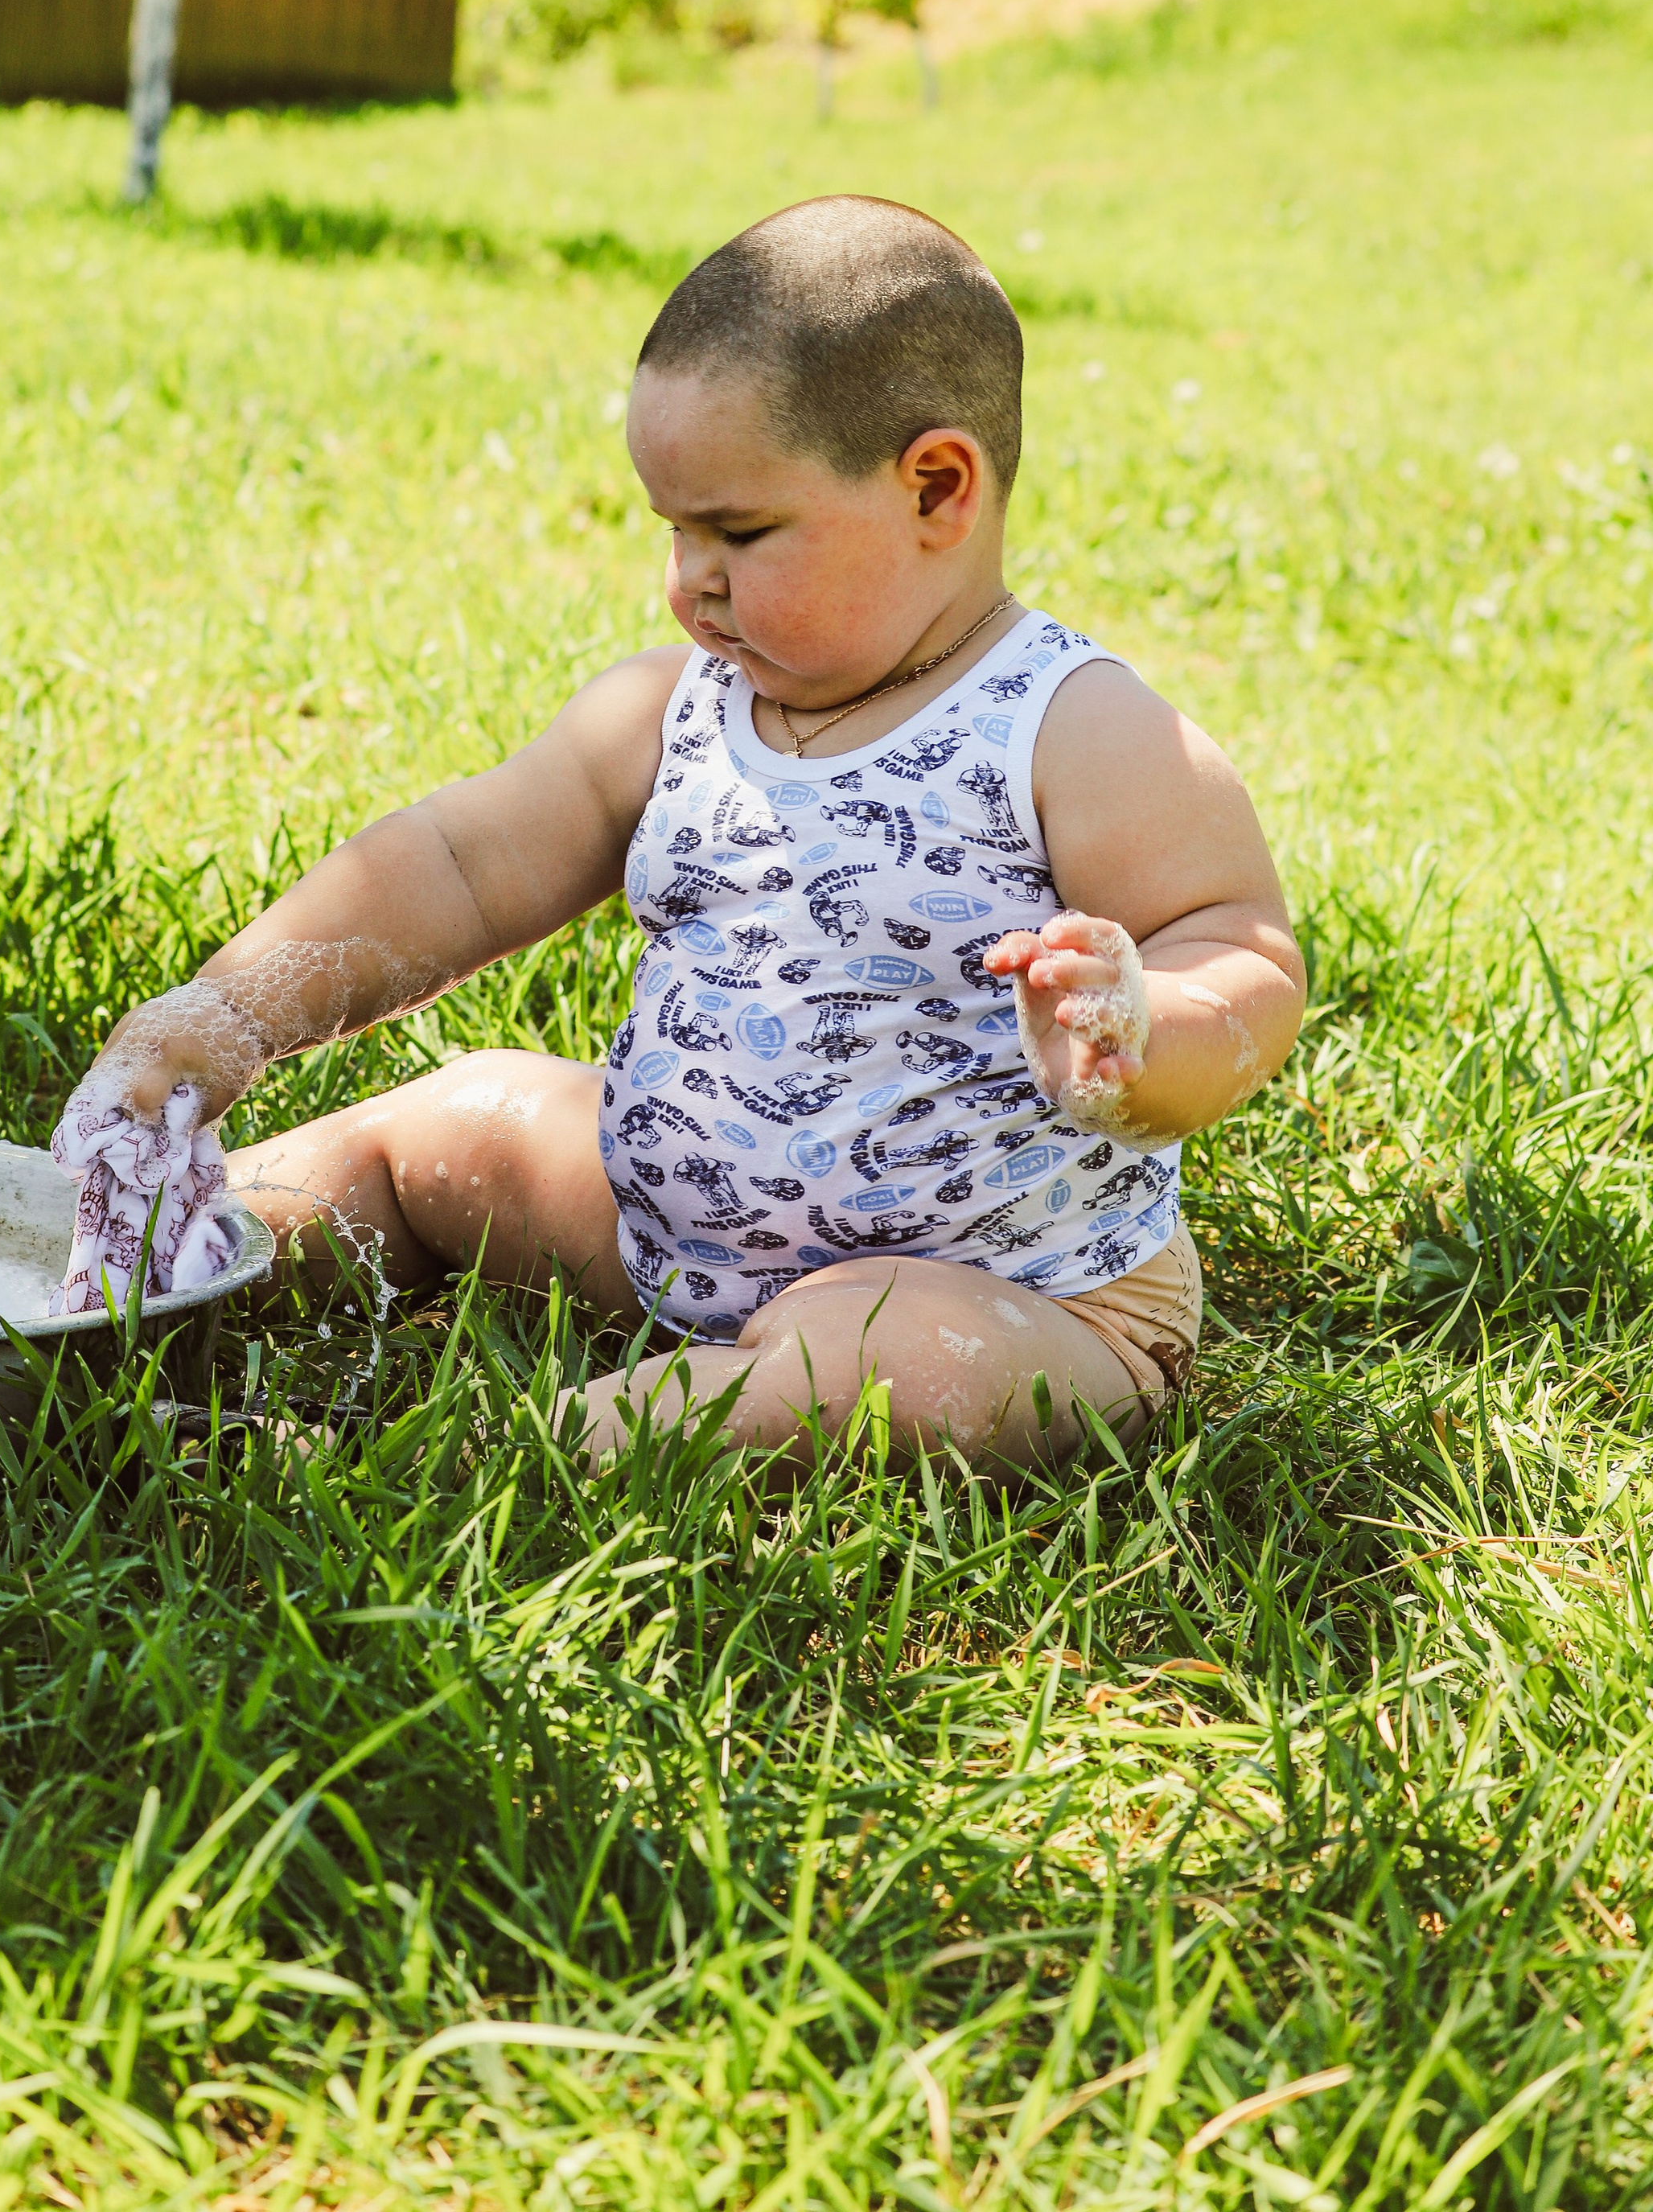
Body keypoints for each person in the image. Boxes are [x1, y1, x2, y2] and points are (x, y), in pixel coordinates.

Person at [72, 197, 1305, 1470]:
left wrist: (1140, 1032)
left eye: (739, 532)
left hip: (1007, 1296)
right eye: (674, 529)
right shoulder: (671, 713)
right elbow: (455, 865)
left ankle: (475, 1456)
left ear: (937, 490)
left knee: (878, 1364)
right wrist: (229, 1012)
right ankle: (118, 1279)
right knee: (450, 1127)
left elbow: (1244, 953)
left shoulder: (1074, 729)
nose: (688, 581)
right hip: (667, 1234)